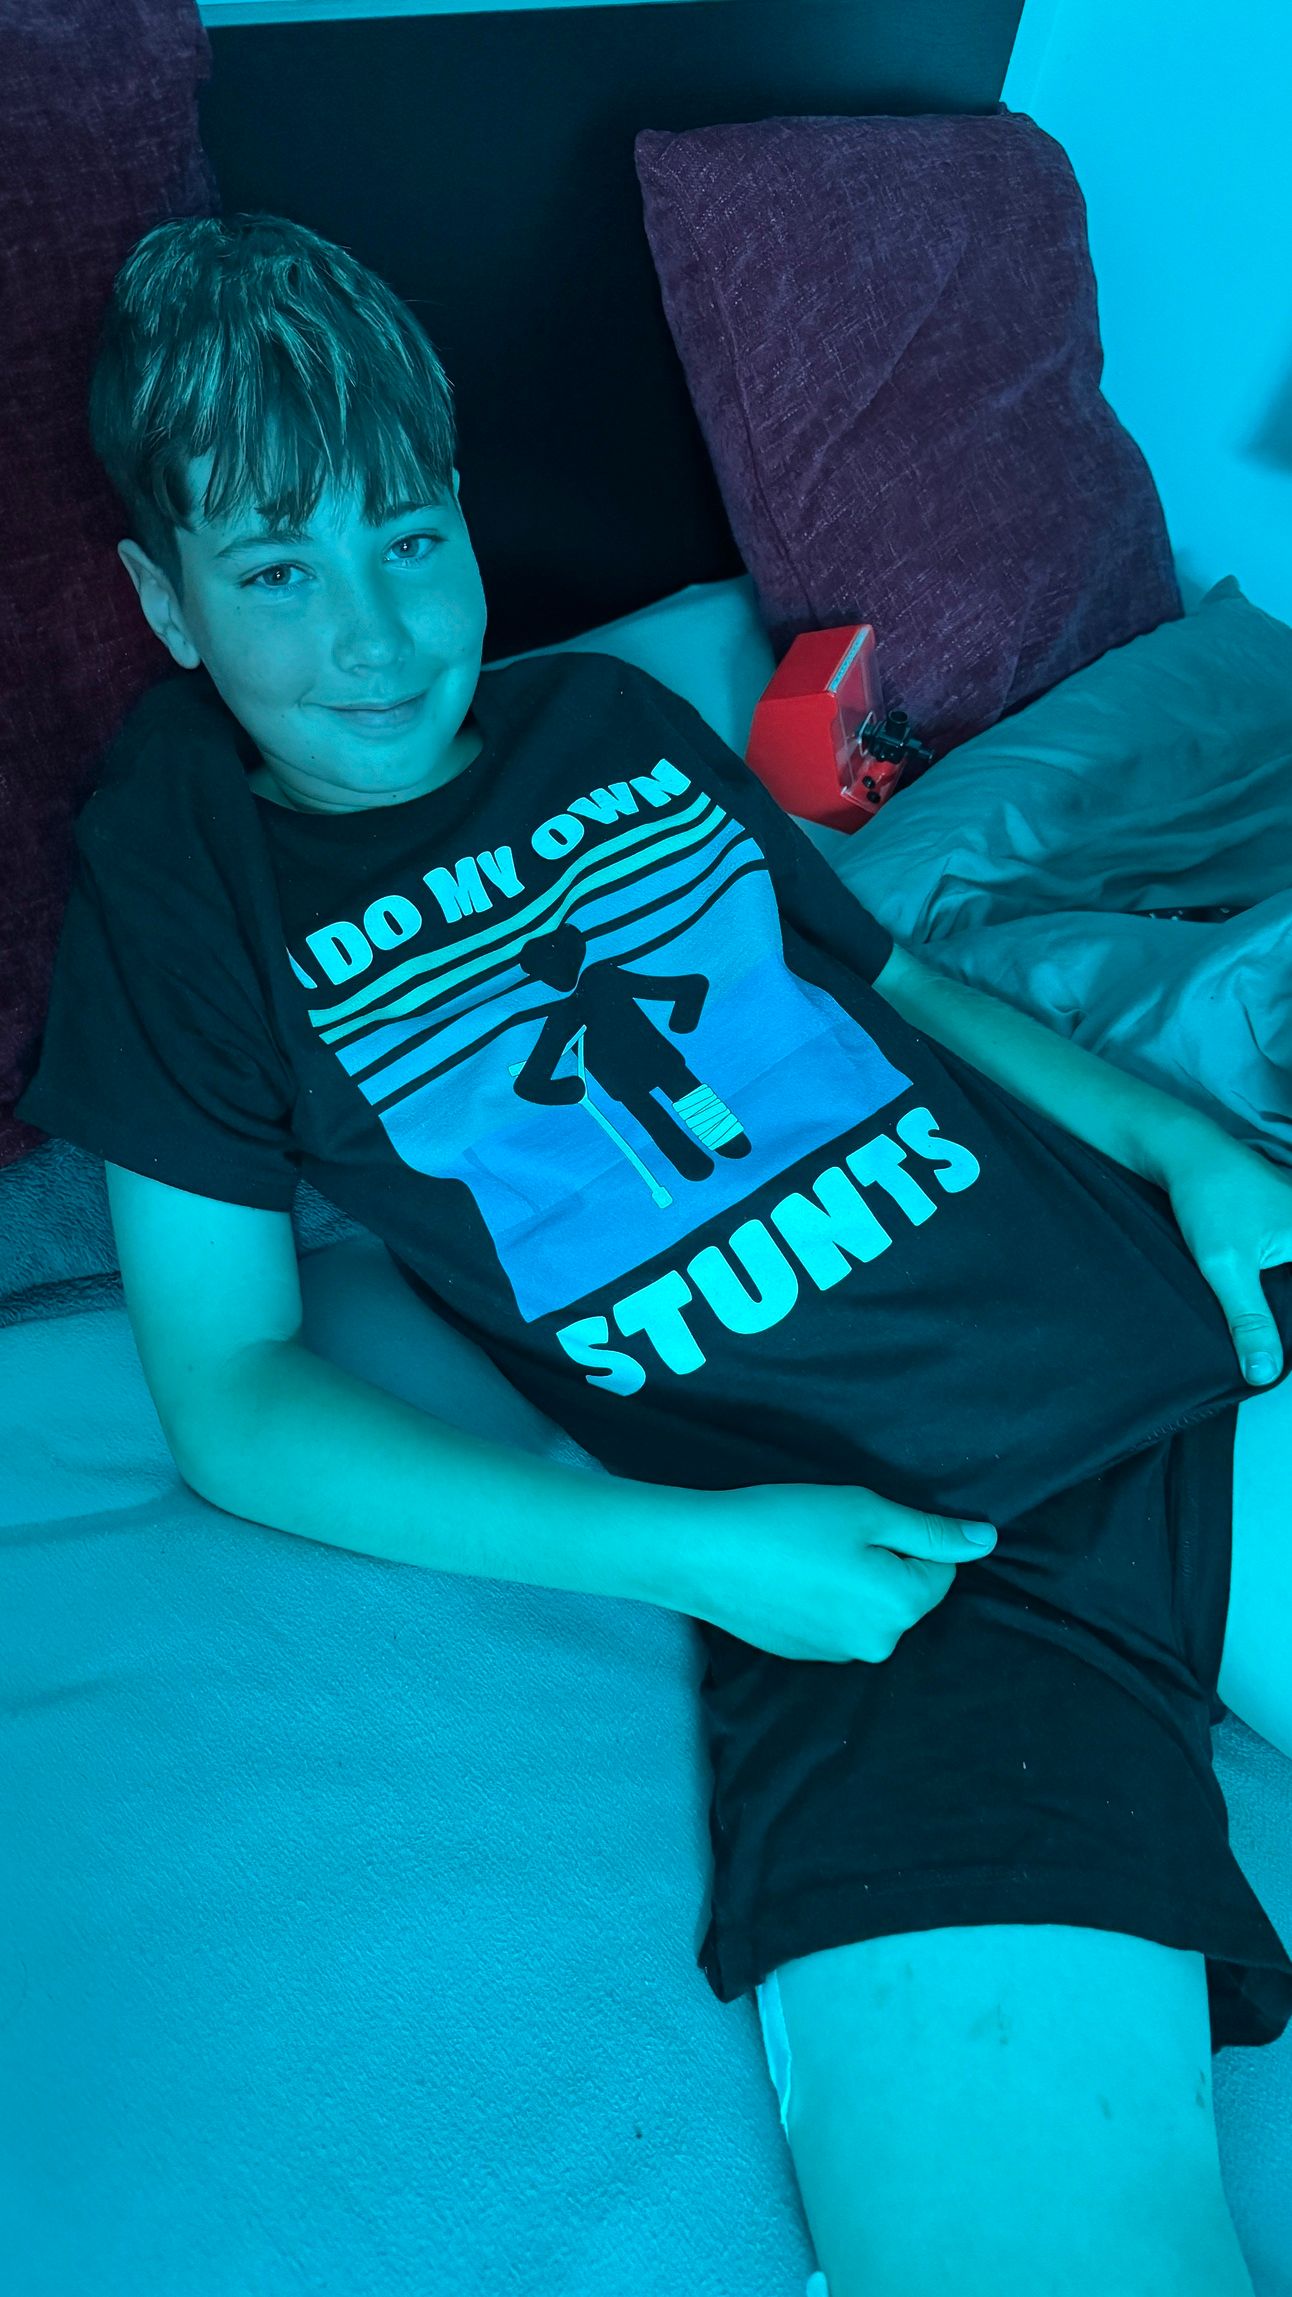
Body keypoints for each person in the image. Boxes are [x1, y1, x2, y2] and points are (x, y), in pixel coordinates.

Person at [17, 213, 1292, 2297]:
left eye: (408, 537)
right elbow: (231, 1401)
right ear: (164, 603)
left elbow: (892, 983)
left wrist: (1189, 1148)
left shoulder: (609, 721)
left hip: (1172, 1352)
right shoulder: (188, 881)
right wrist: (699, 1554)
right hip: (880, 1566)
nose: (374, 634)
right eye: (275, 572)